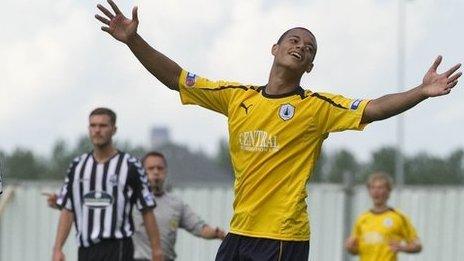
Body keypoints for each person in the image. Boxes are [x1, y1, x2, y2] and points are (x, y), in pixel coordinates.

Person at [94, 1, 461, 259]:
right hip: (240, 232)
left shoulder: (317, 107)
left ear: (311, 66)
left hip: (283, 237)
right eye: (294, 40)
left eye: (309, 47)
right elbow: (177, 78)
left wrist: (421, 92)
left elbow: (375, 108)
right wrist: (134, 41)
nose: (301, 46)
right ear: (274, 48)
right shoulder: (235, 97)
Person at [52, 107, 164, 261]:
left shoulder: (130, 165)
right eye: (93, 125)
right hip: (86, 249)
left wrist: (156, 250)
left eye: (103, 126)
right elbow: (68, 209)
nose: (97, 130)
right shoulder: (77, 166)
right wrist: (58, 248)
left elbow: (147, 210)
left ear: (114, 129)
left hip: (117, 247)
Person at [132, 151, 226, 261]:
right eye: (151, 168)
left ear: (166, 171)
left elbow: (199, 227)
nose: (156, 172)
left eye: (160, 168)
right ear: (142, 172)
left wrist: (217, 233)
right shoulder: (131, 200)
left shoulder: (176, 204)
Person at [345, 172, 422, 260]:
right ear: (369, 192)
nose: (376, 191)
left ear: (388, 191)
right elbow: (356, 250)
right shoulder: (362, 218)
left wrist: (403, 247)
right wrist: (350, 248)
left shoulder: (399, 217)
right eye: (372, 188)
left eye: (380, 188)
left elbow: (418, 246)